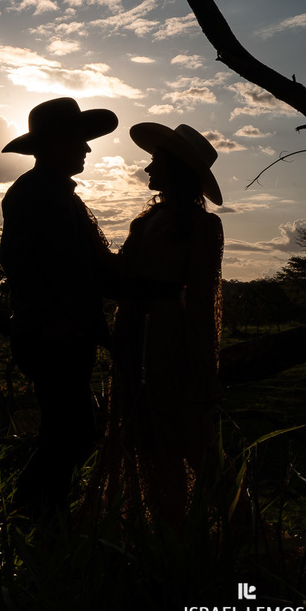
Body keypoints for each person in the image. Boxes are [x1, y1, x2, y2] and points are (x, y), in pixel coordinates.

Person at [90, 123, 224, 526]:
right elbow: (121, 274)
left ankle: (232, 523)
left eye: (156, 161)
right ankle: (166, 522)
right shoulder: (147, 220)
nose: (148, 170)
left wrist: (204, 365)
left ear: (177, 169)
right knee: (142, 428)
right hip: (133, 327)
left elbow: (201, 299)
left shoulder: (200, 225)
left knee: (180, 428)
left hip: (165, 333)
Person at [0, 97, 118, 521]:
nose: (87, 150)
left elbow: (80, 268)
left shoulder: (55, 193)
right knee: (73, 434)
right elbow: (19, 261)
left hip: (65, 330)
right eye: (80, 141)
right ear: (58, 142)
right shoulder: (35, 192)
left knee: (65, 432)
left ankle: (43, 521)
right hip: (52, 334)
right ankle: (31, 517)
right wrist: (53, 321)